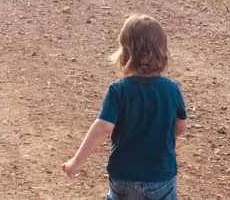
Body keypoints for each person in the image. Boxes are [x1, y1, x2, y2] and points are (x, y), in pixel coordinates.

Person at [62, 14, 187, 200]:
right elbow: (180, 126)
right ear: (162, 52)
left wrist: (76, 163)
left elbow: (103, 127)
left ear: (125, 53)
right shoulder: (172, 89)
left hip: (123, 177)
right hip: (160, 176)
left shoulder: (118, 90)